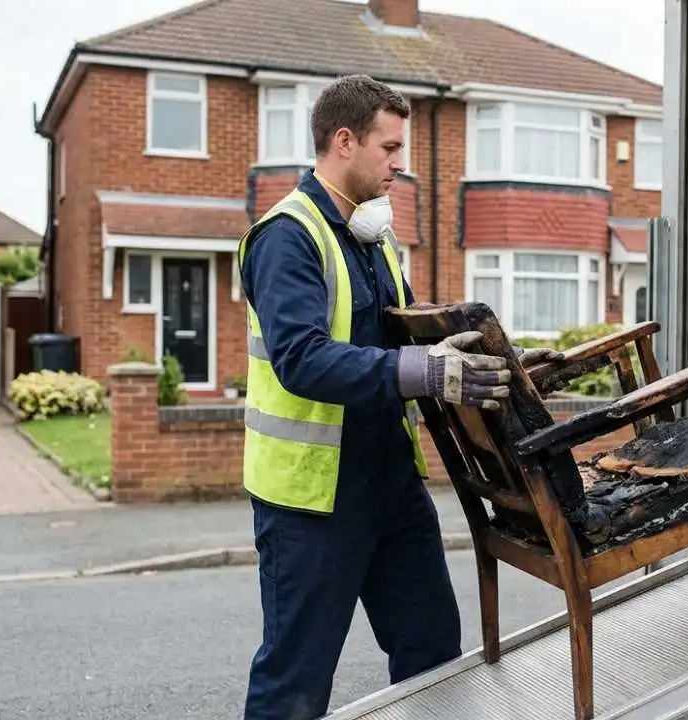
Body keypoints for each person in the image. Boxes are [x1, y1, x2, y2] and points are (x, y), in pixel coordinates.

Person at [236, 74, 561, 719]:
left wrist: (505, 364)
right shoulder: (286, 237)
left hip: (390, 486)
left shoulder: (372, 237)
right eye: (388, 149)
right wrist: (425, 373)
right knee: (296, 679)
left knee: (433, 653)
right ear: (344, 141)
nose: (400, 164)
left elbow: (413, 333)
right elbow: (302, 359)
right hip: (311, 502)